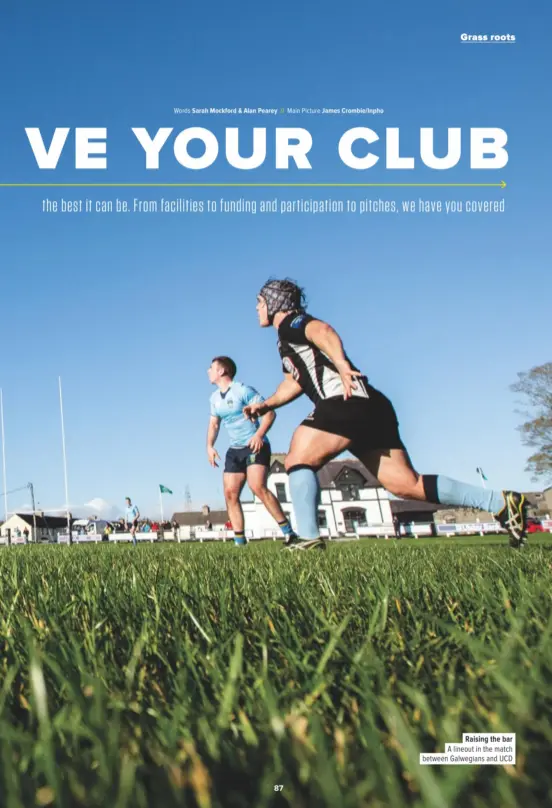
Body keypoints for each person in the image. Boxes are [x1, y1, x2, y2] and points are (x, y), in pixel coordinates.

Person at [243, 278, 529, 551]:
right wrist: (266, 405)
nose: (256, 308)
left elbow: (323, 330)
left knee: (297, 458)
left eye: (259, 301)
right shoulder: (285, 343)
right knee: (406, 484)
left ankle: (307, 539)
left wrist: (342, 364)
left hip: (345, 400)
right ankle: (500, 503)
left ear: (274, 302)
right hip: (372, 405)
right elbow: (292, 382)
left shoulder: (291, 324)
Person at [207, 355, 298, 547]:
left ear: (222, 371)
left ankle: (289, 533)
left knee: (257, 487)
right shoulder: (214, 398)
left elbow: (270, 413)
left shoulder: (243, 390)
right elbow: (214, 425)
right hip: (235, 450)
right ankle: (240, 542)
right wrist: (209, 446)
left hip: (256, 445)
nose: (208, 371)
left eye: (211, 368)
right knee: (230, 494)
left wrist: (259, 434)